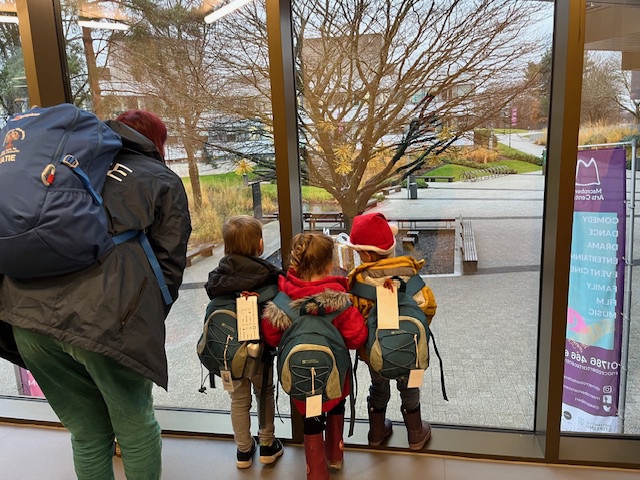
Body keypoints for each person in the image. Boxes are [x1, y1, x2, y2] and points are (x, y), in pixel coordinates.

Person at [0, 109, 191, 479]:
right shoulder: (157, 176)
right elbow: (169, 265)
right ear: (155, 141)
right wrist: (141, 318)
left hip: (26, 318)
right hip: (108, 318)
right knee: (135, 427)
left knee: (87, 433)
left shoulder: (66, 166)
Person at [262, 232, 367, 480]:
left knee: (311, 418)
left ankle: (316, 471)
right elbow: (356, 338)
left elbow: (272, 338)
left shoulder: (282, 301)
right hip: (335, 377)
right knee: (336, 405)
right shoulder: (339, 301)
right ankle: (335, 455)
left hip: (300, 379)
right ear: (329, 264)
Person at [344, 212, 437, 450]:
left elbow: (354, 320)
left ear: (366, 255)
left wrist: (366, 348)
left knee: (378, 386)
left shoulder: (359, 283)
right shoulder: (411, 274)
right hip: (411, 350)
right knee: (411, 386)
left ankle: (376, 432)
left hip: (375, 354)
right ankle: (415, 433)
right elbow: (429, 306)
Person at [203, 215, 285, 469]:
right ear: (260, 245)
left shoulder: (217, 278)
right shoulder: (267, 276)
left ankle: (243, 450)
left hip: (228, 352)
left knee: (238, 400)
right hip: (259, 350)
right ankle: (267, 445)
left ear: (226, 246)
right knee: (264, 393)